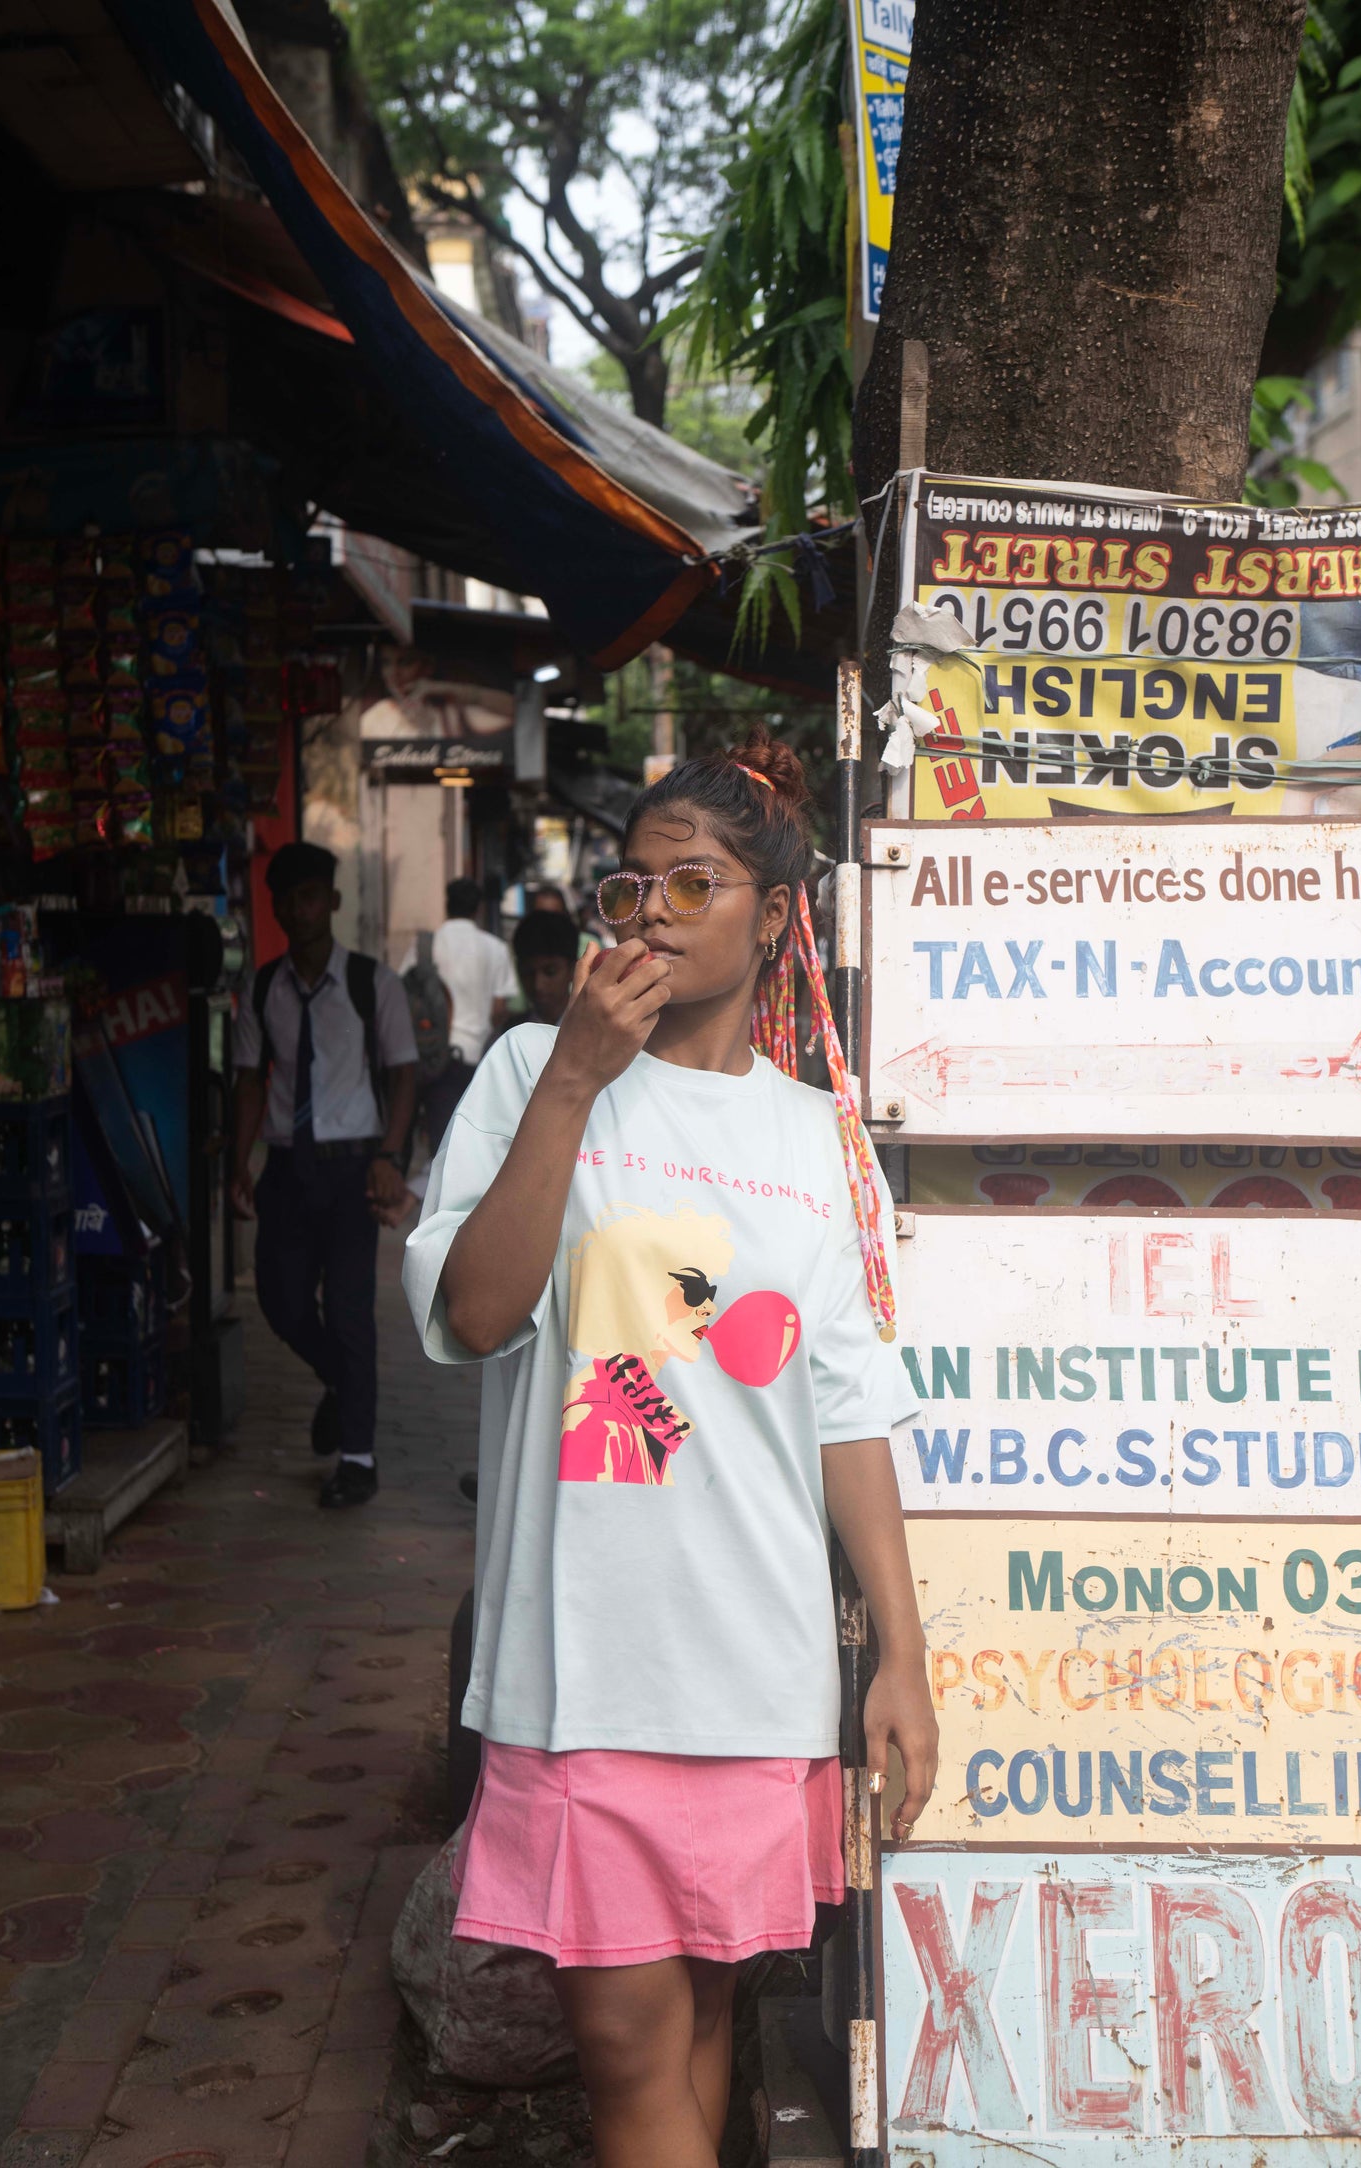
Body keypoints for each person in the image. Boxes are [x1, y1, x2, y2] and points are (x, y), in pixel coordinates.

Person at [404, 729, 936, 2168]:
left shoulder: (822, 1139)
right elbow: (473, 1310)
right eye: (630, 887)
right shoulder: (528, 1072)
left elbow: (846, 1406)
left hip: (752, 1670)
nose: (649, 914)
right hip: (587, 1675)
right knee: (634, 2050)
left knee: (702, 2025)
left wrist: (900, 1652)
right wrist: (577, 1080)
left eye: (691, 885)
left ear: (774, 917)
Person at [231, 842, 417, 1509]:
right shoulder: (262, 987)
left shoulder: (373, 983)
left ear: (332, 902)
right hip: (287, 1166)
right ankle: (343, 1384)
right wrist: (238, 1163)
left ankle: (358, 1459)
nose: (298, 909)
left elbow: (404, 1074)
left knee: (348, 1311)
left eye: (310, 895)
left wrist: (389, 1156)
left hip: (351, 1171)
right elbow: (252, 1081)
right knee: (279, 1301)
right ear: (275, 907)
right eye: (286, 899)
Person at [400, 879, 518, 1149]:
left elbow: (403, 993)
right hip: (475, 1058)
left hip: (428, 1055)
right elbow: (500, 1008)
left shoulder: (425, 945)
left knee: (434, 1144)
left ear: (447, 904)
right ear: (477, 909)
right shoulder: (495, 948)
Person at [509, 911, 579, 1027]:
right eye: (528, 973)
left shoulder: (595, 1029)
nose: (538, 985)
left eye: (550, 972)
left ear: (573, 969)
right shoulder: (507, 1033)